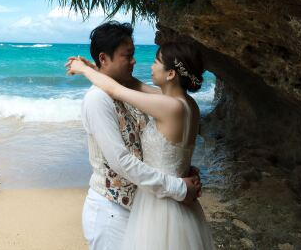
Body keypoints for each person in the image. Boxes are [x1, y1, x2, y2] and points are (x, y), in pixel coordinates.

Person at [68, 37, 214, 250]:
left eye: (156, 61)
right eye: (129, 56)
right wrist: (98, 70)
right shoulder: (187, 104)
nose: (148, 65)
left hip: (162, 203)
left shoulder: (169, 107)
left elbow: (118, 91)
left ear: (171, 73)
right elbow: (135, 85)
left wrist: (83, 70)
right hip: (179, 199)